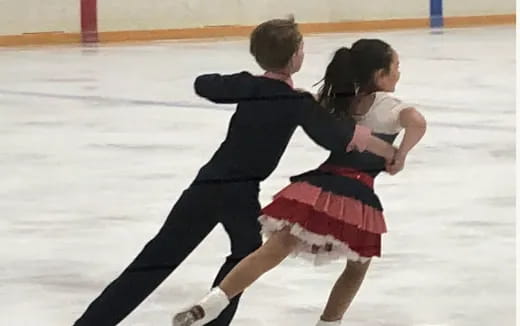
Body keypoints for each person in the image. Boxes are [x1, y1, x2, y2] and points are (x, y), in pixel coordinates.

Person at [73, 19, 396, 326]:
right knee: (246, 256)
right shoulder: (296, 102)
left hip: (206, 185)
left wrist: (243, 82)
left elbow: (205, 85)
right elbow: (336, 136)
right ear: (296, 56)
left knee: (156, 260)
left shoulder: (252, 86)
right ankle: (214, 319)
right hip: (240, 193)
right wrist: (388, 150)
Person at [172, 39, 427, 326]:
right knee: (357, 266)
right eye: (396, 67)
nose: (399, 73)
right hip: (357, 194)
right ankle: (329, 323)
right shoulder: (389, 106)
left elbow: (310, 105)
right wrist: (400, 155)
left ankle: (212, 302)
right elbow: (417, 122)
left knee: (275, 248)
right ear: (380, 75)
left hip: (317, 186)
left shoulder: (339, 100)